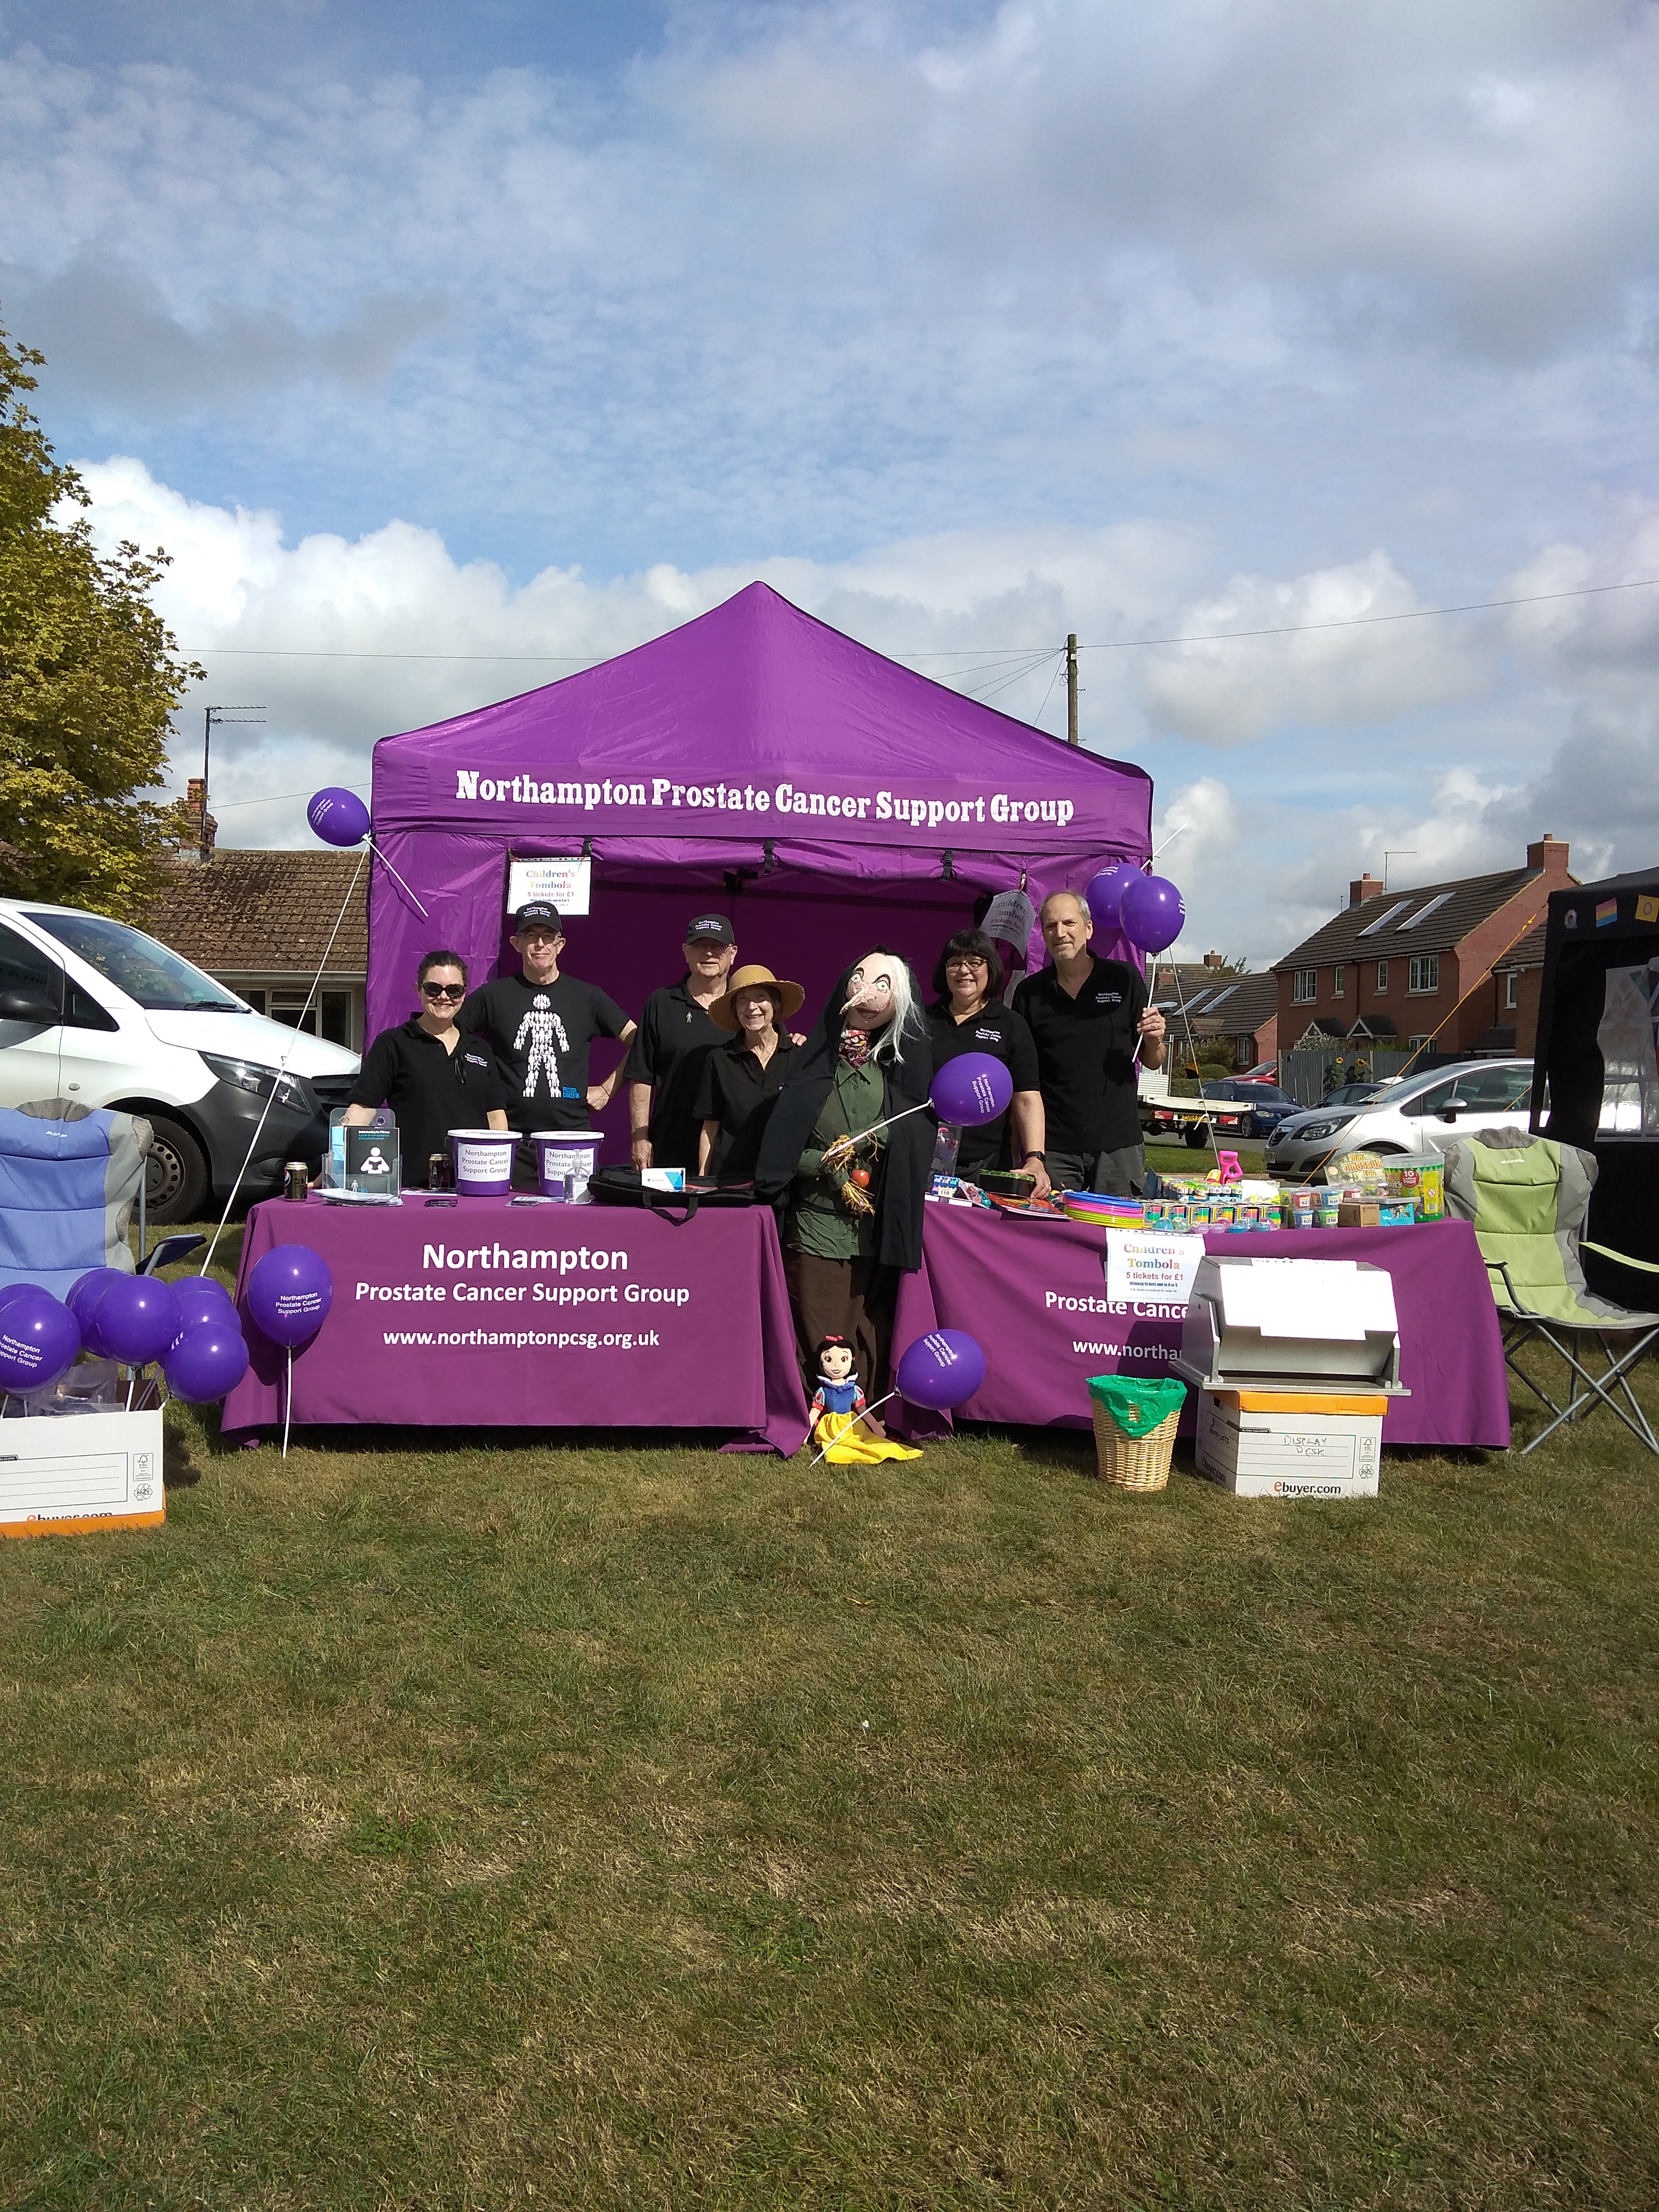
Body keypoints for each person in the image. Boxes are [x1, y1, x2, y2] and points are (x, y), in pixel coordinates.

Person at [756, 946, 933, 1411]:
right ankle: (813, 1409)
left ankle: (866, 1406)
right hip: (817, 1225)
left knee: (868, 1320)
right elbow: (780, 1152)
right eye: (861, 979)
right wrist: (825, 1162)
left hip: (875, 1229)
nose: (869, 993)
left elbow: (914, 1131)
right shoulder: (812, 1067)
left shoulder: (894, 1073)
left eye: (883, 985)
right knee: (819, 1318)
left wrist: (878, 1141)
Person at [1012, 888, 1166, 1195]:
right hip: (1055, 1151)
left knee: (1115, 1237)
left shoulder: (1123, 979)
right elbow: (1025, 1083)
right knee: (1055, 1240)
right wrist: (1033, 1154)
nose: (1061, 933)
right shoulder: (1029, 995)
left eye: (1069, 923)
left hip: (1118, 1148)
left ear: (1089, 928)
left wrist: (1154, 1039)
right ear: (1043, 934)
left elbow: (1153, 1059)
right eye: (1051, 926)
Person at [459, 903, 635, 1158]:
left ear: (560, 944)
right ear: (516, 943)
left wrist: (608, 1089)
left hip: (571, 1140)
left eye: (547, 936)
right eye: (531, 936)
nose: (540, 944)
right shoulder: (493, 996)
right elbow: (449, 1037)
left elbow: (641, 1041)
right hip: (511, 1140)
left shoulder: (587, 997)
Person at [346, 950, 510, 1184]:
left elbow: (495, 1117)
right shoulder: (393, 1043)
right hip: (413, 1185)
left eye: (454, 990)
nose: (444, 997)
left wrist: (502, 1173)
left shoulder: (480, 1049)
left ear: (465, 994)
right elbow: (362, 1109)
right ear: (419, 990)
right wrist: (336, 1161)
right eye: (434, 989)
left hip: (474, 1184)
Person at [925, 927, 1049, 1193]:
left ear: (990, 968)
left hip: (985, 1166)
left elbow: (1027, 1098)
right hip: (922, 1159)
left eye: (974, 962)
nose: (964, 971)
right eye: (955, 963)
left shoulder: (1011, 1025)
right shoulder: (921, 1021)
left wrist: (1035, 1159)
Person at [623, 912, 739, 1172]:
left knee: (729, 1213)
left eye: (717, 946)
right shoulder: (661, 1003)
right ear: (686, 952)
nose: (708, 953)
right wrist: (639, 1138)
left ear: (732, 953)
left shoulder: (747, 1007)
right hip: (670, 1147)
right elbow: (642, 1076)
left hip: (732, 1151)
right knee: (668, 1213)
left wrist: (796, 1042)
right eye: (700, 946)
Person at [695, 963, 805, 1178]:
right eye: (742, 1000)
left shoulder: (799, 1055)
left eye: (760, 997)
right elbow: (710, 1128)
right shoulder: (720, 1060)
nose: (752, 1007)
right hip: (731, 1180)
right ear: (735, 1010)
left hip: (786, 1181)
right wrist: (703, 1180)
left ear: (775, 1004)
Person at [807, 1334, 920, 1464]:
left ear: (851, 1361)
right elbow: (815, 1412)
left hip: (851, 1422)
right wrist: (805, 1432)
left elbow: (863, 1410)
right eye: (829, 1360)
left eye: (843, 1359)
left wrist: (876, 1428)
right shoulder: (823, 1391)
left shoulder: (854, 1389)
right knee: (836, 1445)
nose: (836, 1365)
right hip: (832, 1426)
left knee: (862, 1440)